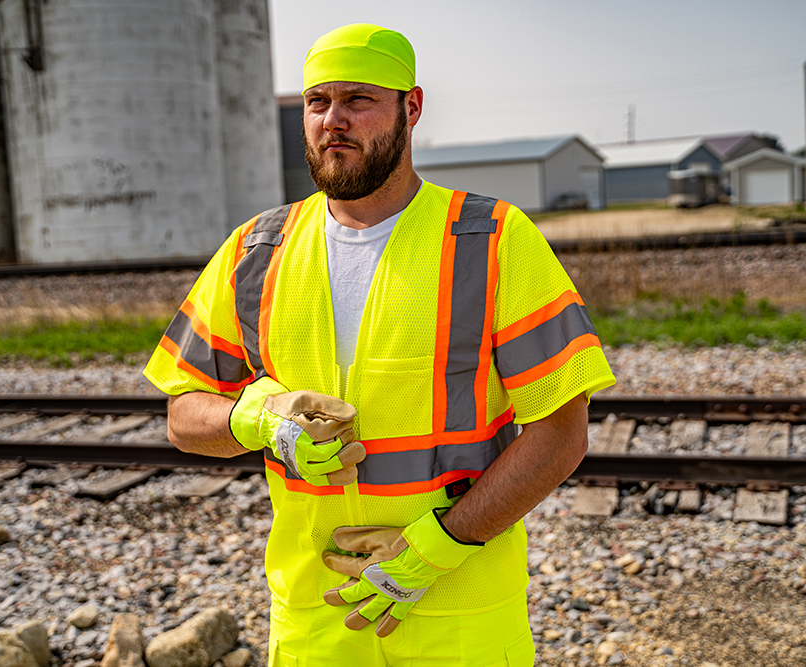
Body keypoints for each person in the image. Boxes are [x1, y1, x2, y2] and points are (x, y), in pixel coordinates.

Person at [143, 23, 616, 666]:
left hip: (458, 613)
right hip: (316, 618)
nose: (333, 120)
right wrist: (260, 422)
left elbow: (562, 434)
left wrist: (432, 551)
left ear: (411, 108)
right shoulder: (257, 251)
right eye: (318, 102)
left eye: (358, 100)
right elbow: (183, 416)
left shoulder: (491, 239)